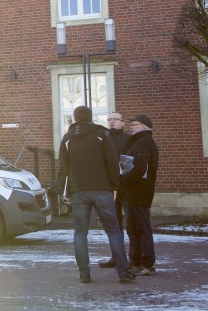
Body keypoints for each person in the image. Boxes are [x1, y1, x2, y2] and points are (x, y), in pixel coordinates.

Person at [54, 105, 134, 284]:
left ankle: (84, 274)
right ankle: (123, 273)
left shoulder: (67, 138)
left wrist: (64, 190)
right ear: (91, 118)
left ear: (75, 119)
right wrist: (114, 186)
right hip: (102, 189)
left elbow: (63, 168)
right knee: (113, 230)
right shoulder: (102, 134)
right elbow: (112, 161)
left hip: (78, 192)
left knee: (80, 233)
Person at [120, 114, 160, 276]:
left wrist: (122, 180)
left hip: (139, 191)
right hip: (135, 191)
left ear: (143, 126)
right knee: (133, 228)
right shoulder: (141, 142)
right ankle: (136, 261)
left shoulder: (143, 143)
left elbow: (139, 169)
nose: (132, 127)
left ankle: (147, 263)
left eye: (135, 124)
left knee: (142, 228)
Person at [99, 112, 130, 268]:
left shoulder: (128, 140)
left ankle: (134, 257)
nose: (111, 122)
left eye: (115, 119)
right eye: (109, 119)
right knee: (114, 222)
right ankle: (116, 256)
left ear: (122, 123)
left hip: (126, 185)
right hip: (111, 186)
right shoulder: (104, 139)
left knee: (132, 222)